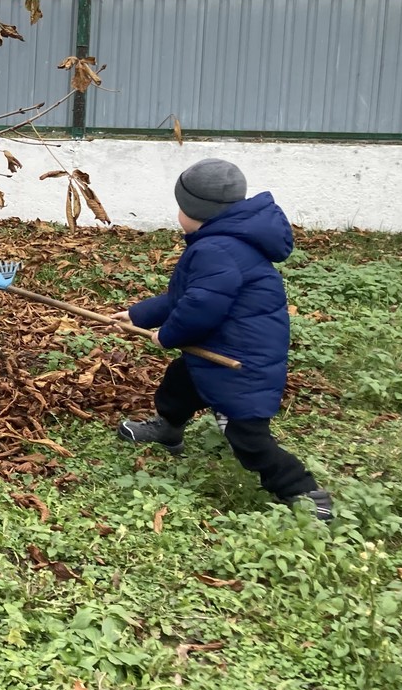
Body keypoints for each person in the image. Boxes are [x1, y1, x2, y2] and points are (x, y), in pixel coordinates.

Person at [114, 158, 332, 521]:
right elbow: (188, 295)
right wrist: (138, 315)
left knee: (247, 436)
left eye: (181, 207)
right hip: (223, 348)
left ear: (194, 211)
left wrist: (167, 335)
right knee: (179, 383)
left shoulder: (215, 249)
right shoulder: (228, 239)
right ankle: (169, 429)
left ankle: (304, 492)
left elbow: (201, 307)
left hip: (239, 361)